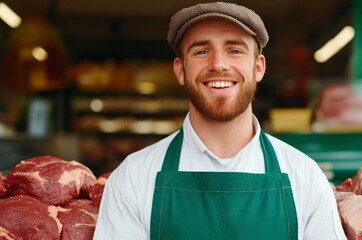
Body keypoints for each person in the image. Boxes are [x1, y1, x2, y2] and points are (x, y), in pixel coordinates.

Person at [93, 2, 346, 239]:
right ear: (180, 70)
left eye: (234, 50)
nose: (218, 64)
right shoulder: (133, 177)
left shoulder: (305, 176)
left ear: (258, 68)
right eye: (201, 51)